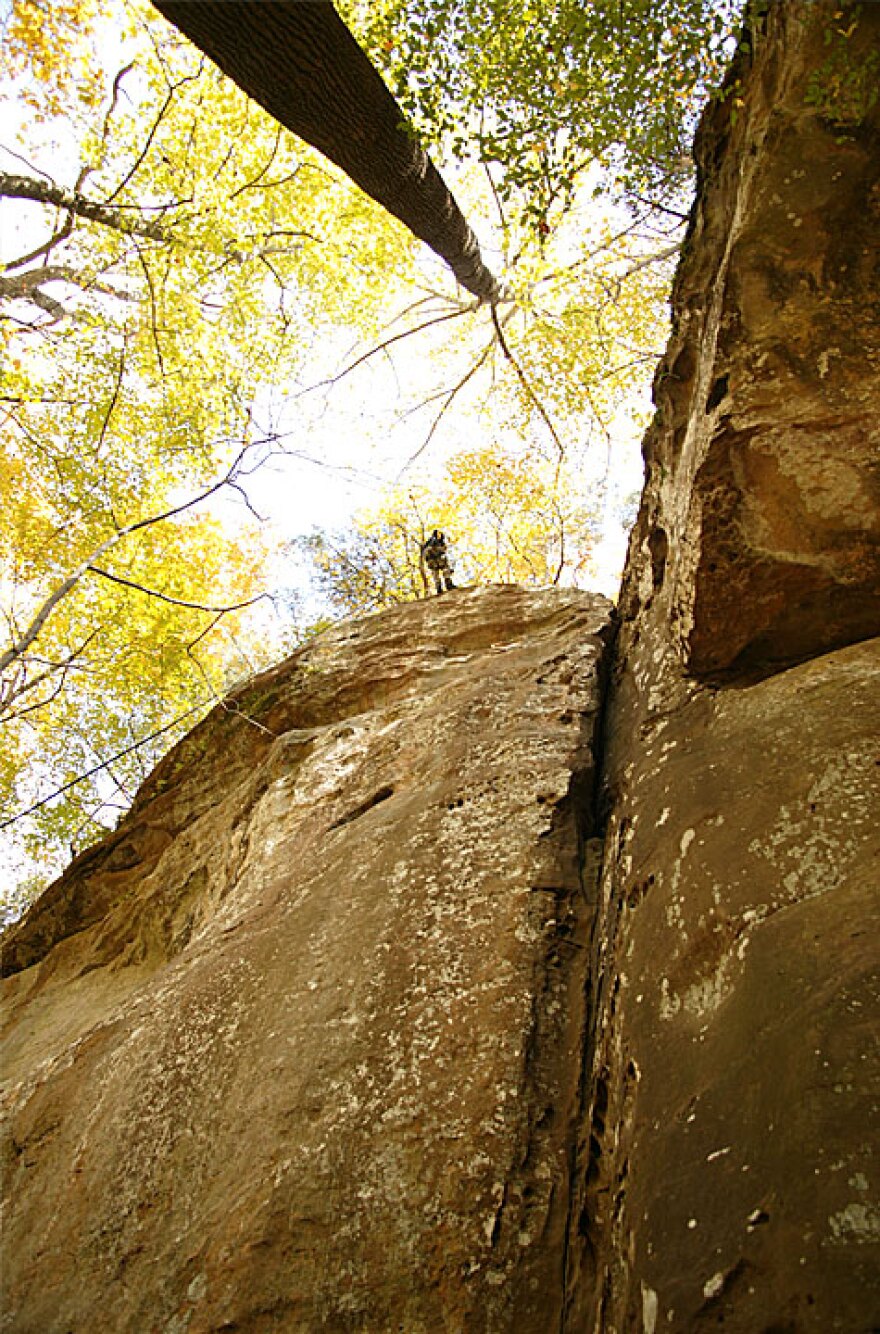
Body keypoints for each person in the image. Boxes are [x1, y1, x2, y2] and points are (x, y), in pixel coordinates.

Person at [420, 529, 455, 594]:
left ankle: (440, 587)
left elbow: (424, 553)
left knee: (436, 573)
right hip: (436, 559)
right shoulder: (434, 541)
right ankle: (447, 585)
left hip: (432, 560)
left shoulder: (429, 542)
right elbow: (440, 550)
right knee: (443, 569)